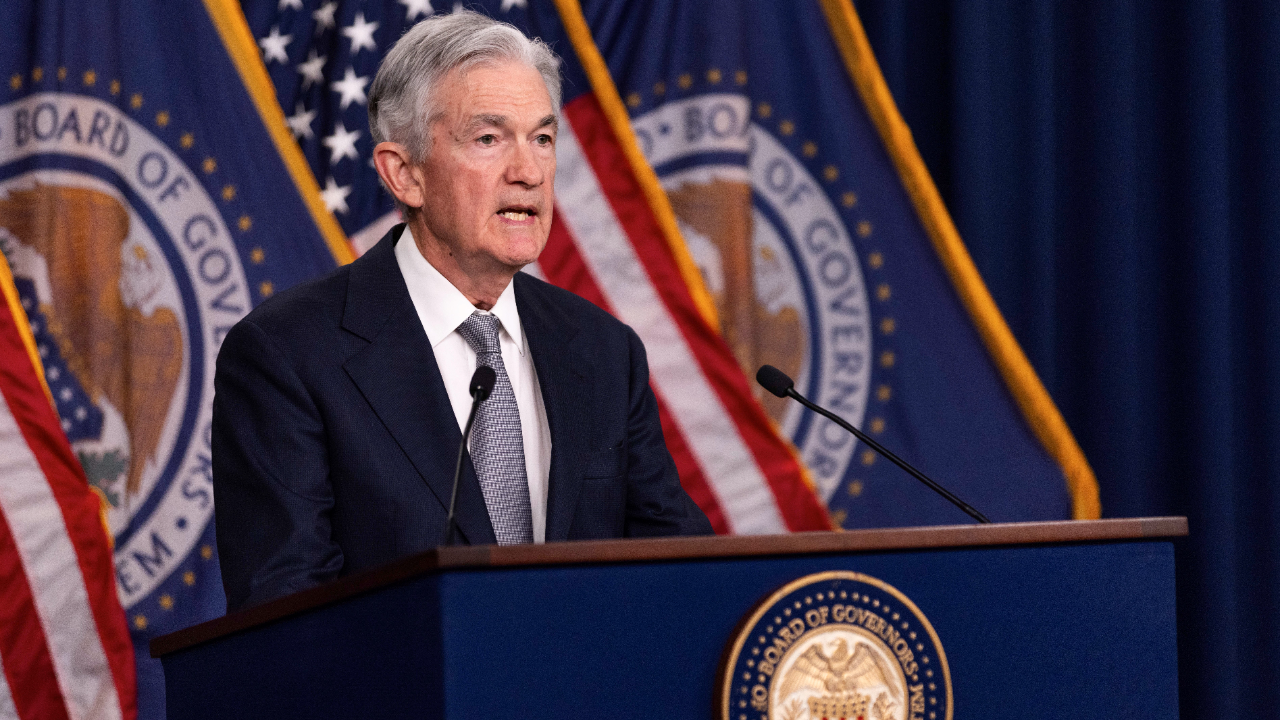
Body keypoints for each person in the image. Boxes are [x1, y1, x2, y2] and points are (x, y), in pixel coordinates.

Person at [212, 11, 713, 612]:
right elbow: (288, 614)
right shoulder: (287, 355)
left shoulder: (603, 350)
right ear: (406, 174)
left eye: (543, 138)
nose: (528, 172)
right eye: (488, 138)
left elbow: (681, 568)